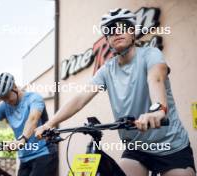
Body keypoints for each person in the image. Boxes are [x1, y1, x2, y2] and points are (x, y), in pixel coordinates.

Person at [35, 8, 196, 176]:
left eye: (123, 26)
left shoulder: (150, 54)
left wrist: (157, 110)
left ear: (132, 32)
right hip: (137, 147)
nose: (116, 32)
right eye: (110, 30)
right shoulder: (107, 70)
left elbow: (156, 79)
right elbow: (80, 98)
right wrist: (49, 124)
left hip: (170, 146)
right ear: (107, 40)